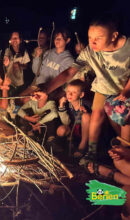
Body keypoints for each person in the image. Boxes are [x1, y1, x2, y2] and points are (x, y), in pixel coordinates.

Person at [44, 14, 130, 167]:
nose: (93, 42)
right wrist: (46, 90)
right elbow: (69, 72)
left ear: (114, 36)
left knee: (121, 118)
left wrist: (125, 92)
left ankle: (124, 152)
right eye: (90, 37)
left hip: (124, 89)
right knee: (96, 115)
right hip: (104, 87)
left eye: (98, 37)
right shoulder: (90, 51)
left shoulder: (127, 47)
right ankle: (91, 152)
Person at [57, 79, 91, 158]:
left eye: (74, 92)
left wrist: (86, 111)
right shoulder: (68, 105)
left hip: (84, 132)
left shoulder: (86, 104)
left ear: (81, 95)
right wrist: (61, 106)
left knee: (86, 116)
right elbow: (66, 122)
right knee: (61, 130)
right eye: (68, 91)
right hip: (74, 130)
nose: (70, 94)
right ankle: (62, 147)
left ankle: (82, 146)